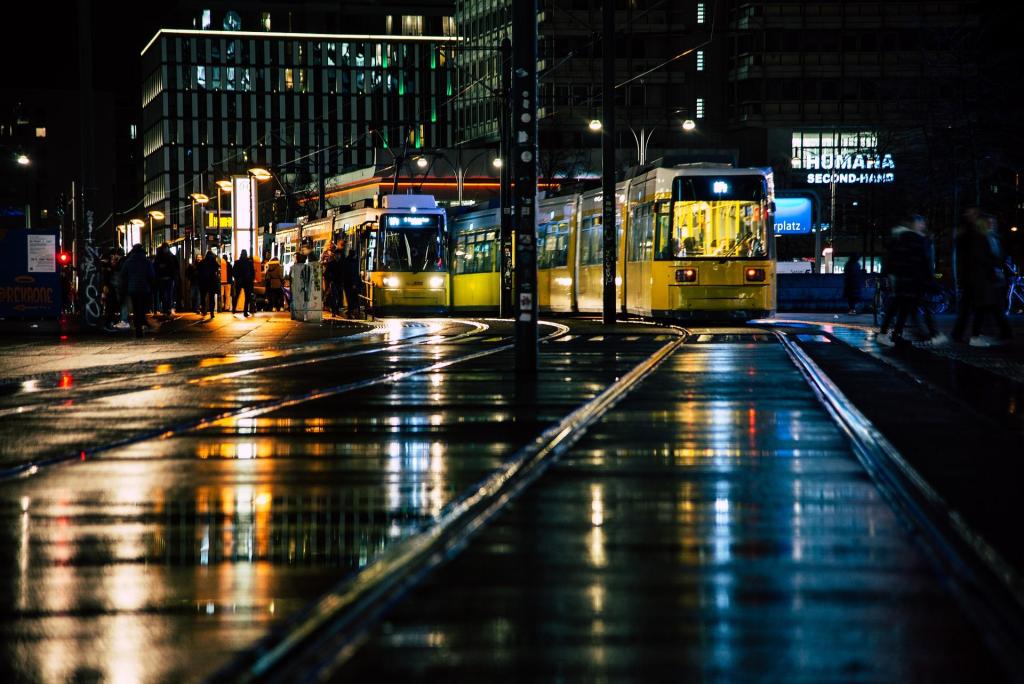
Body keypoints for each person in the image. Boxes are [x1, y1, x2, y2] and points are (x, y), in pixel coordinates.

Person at [879, 215, 942, 346]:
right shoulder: (912, 238)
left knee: (903, 307)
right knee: (907, 306)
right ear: (914, 224)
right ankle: (933, 334)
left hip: (904, 279)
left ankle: (894, 334)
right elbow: (921, 260)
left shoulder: (901, 237)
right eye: (920, 223)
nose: (923, 226)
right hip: (910, 279)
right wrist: (929, 279)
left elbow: (894, 259)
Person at [952, 210, 1013, 345]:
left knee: (987, 307)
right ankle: (975, 335)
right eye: (989, 222)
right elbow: (981, 259)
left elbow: (997, 258)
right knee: (984, 307)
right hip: (982, 279)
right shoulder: (978, 237)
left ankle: (996, 333)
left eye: (993, 222)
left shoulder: (993, 237)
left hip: (988, 279)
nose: (992, 224)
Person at [119, 244, 155, 338]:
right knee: (142, 307)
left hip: (133, 288)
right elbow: (152, 275)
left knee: (136, 307)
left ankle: (137, 326)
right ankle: (142, 322)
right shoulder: (146, 262)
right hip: (144, 288)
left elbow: (123, 274)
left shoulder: (128, 262)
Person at [154, 242, 179, 317]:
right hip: (168, 278)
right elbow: (176, 267)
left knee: (165, 295)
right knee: (167, 294)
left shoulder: (159, 257)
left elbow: (155, 267)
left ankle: (166, 309)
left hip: (164, 278)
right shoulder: (172, 257)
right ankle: (167, 309)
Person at [197, 249, 221, 318]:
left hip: (203, 282)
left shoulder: (202, 262)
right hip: (211, 282)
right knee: (211, 298)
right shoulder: (213, 262)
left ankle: (204, 310)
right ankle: (212, 312)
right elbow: (218, 267)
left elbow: (198, 270)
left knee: (203, 297)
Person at [341, 239, 362, 317]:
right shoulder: (353, 262)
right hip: (351, 283)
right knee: (352, 297)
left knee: (349, 297)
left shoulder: (346, 261)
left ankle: (350, 310)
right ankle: (352, 311)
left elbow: (345, 273)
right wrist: (354, 283)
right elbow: (354, 273)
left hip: (346, 283)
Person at [232, 249, 256, 317]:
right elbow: (252, 272)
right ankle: (245, 312)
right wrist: (251, 279)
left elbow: (233, 272)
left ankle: (234, 309)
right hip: (247, 281)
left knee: (237, 295)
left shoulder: (237, 262)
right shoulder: (249, 262)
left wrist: (237, 278)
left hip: (239, 281)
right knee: (247, 297)